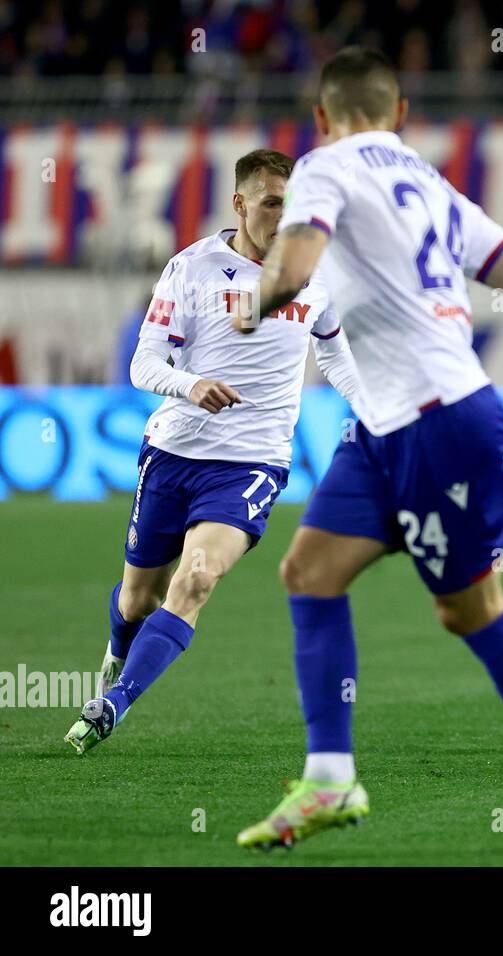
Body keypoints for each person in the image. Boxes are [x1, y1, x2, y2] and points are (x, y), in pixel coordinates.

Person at [233, 48, 503, 849]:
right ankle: (330, 780)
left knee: (467, 609)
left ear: (321, 119)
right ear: (402, 113)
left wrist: (257, 300)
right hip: (391, 425)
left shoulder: (324, 166)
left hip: (436, 424)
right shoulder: (434, 188)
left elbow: (295, 266)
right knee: (309, 571)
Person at [65, 149, 361, 754]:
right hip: (174, 453)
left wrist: (380, 408)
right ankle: (119, 653)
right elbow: (144, 362)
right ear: (240, 203)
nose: (284, 216)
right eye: (271, 202)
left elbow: (331, 352)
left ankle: (112, 707)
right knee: (137, 598)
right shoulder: (192, 269)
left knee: (196, 580)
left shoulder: (318, 273)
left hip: (252, 463)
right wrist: (190, 384)